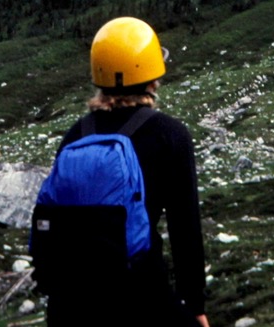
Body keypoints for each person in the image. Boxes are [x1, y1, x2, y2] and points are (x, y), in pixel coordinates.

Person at [45, 16, 210, 327]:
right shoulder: (170, 135)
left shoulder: (75, 135)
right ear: (152, 75)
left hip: (69, 303)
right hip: (140, 296)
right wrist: (194, 303)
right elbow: (184, 227)